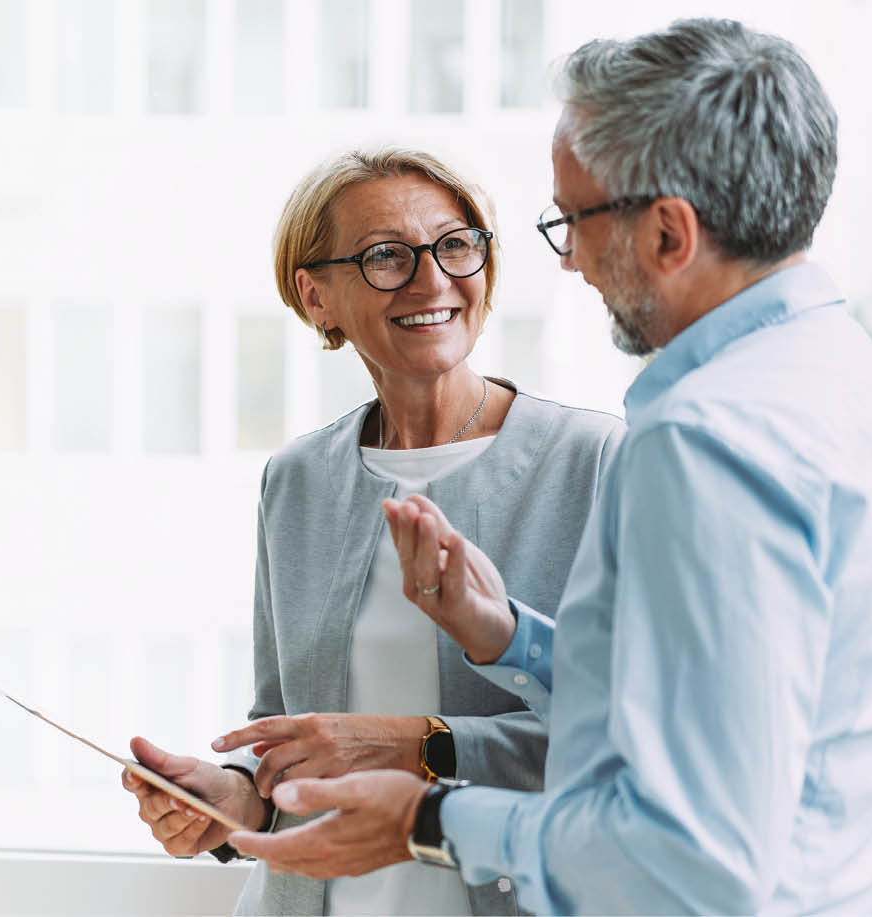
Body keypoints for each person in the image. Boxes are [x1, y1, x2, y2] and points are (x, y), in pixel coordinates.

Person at [226, 18, 872, 916]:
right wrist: (507, 635)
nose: (571, 257)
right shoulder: (866, 393)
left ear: (667, 232)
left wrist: (428, 817)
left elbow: (692, 857)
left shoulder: (706, 442)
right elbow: (709, 704)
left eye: (573, 219)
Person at [119, 148, 624, 915]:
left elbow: (629, 744)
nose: (431, 280)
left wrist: (416, 742)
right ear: (314, 294)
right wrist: (232, 802)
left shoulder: (596, 463)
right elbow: (285, 746)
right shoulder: (296, 479)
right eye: (386, 256)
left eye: (454, 244)